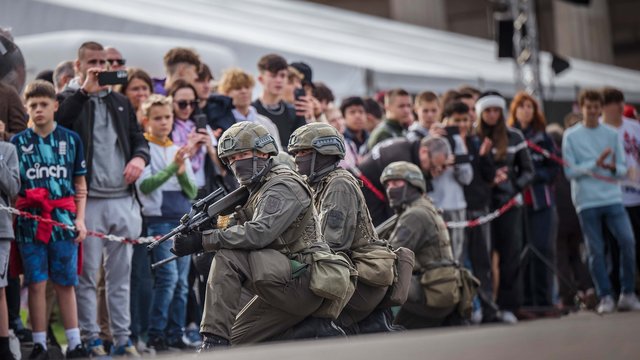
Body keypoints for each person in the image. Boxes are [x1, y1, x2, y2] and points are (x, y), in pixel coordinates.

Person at [171, 122, 346, 351]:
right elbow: (239, 230)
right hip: (281, 278)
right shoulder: (257, 187)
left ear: (263, 153)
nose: (236, 163)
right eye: (231, 159)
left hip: (305, 278)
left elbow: (259, 233)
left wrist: (203, 240)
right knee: (237, 341)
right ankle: (310, 330)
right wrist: (208, 228)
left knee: (228, 257)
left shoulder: (282, 184)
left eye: (242, 154)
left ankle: (212, 343)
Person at [55, 41, 149, 357]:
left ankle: (122, 339)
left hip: (122, 198)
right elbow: (60, 124)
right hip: (88, 200)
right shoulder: (70, 98)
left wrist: (139, 158)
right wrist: (85, 91)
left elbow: (139, 138)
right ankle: (91, 338)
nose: (100, 67)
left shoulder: (121, 101)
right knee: (86, 274)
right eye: (92, 61)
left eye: (104, 62)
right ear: (79, 65)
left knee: (119, 278)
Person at [288, 122, 396, 334]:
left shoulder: (338, 184)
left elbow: (331, 244)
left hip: (360, 277)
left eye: (303, 152)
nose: (297, 158)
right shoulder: (319, 184)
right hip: (350, 271)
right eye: (296, 153)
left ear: (323, 154)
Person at [11, 80, 88, 359]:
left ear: (56, 105)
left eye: (44, 104)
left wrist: (80, 219)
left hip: (63, 221)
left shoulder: (71, 139)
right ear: (26, 108)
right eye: (33, 105)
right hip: (29, 223)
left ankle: (75, 342)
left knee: (66, 282)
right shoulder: (17, 142)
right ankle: (40, 343)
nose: (39, 109)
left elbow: (80, 185)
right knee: (35, 282)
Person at [563, 89, 640, 314]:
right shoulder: (571, 135)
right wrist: (596, 163)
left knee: (628, 241)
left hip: (613, 198)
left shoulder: (611, 133)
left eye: (597, 107)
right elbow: (569, 171)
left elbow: (624, 168)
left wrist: (613, 167)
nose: (593, 111)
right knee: (595, 249)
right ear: (582, 108)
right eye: (589, 107)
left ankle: (628, 293)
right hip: (586, 201)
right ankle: (605, 295)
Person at [136, 94, 197, 351]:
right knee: (168, 279)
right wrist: (173, 168)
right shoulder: (144, 149)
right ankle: (156, 334)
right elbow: (146, 186)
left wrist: (180, 172)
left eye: (167, 117)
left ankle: (175, 333)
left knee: (183, 283)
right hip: (159, 222)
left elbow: (192, 191)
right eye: (158, 118)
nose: (164, 122)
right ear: (147, 120)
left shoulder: (176, 149)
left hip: (181, 221)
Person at [381, 161, 464, 328]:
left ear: (414, 185)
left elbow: (388, 256)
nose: (391, 188)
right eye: (388, 184)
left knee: (379, 276)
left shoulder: (415, 215)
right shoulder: (424, 206)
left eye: (397, 183)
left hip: (432, 292)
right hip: (441, 287)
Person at [475, 91, 534, 321]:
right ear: (481, 113)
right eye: (487, 110)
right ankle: (486, 306)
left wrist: (514, 188)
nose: (492, 115)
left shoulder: (515, 136)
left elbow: (529, 171)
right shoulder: (473, 136)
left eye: (496, 110)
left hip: (510, 205)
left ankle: (510, 306)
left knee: (511, 257)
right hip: (483, 206)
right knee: (484, 259)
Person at [508, 92, 560, 308]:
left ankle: (544, 299)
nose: (526, 110)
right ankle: (526, 301)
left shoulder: (543, 137)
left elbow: (554, 167)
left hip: (541, 201)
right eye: (522, 106)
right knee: (522, 252)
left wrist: (535, 176)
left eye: (530, 106)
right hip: (516, 203)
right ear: (515, 110)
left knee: (542, 248)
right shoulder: (509, 136)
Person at [357, 136, 449, 226]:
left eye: (442, 167)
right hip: (367, 190)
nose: (435, 170)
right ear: (424, 151)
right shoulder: (402, 160)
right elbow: (398, 202)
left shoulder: (406, 146)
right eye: (432, 166)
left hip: (368, 184)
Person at [600, 87, 640, 277]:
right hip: (612, 196)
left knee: (635, 242)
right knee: (616, 245)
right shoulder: (599, 129)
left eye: (620, 103)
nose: (618, 107)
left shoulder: (634, 127)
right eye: (613, 104)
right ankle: (619, 288)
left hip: (636, 195)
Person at [429, 102, 473, 263]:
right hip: (432, 206)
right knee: (434, 259)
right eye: (426, 111)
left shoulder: (456, 140)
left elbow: (467, 177)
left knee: (456, 259)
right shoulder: (418, 137)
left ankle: (455, 288)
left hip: (456, 205)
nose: (430, 115)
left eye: (433, 110)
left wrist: (454, 162)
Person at [168, 79, 225, 197]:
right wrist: (190, 148)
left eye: (192, 103)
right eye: (182, 104)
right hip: (178, 192)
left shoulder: (202, 127)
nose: (188, 108)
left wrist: (211, 149)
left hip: (205, 191)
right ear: (171, 102)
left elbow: (223, 171)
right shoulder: (166, 129)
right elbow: (166, 167)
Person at [217, 67, 281, 148]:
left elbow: (278, 154)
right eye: (237, 88)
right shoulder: (220, 123)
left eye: (247, 87)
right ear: (226, 93)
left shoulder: (265, 123)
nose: (244, 91)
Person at [252, 54, 306, 149]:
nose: (278, 80)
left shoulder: (295, 113)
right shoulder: (252, 111)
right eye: (273, 75)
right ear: (261, 79)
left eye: (283, 75)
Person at [0, 129, 19, 360]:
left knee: (0, 287)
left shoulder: (8, 150)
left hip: (1, 229)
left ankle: (3, 346)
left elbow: (13, 188)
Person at [196, 63, 237, 133]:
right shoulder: (182, 110)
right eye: (201, 81)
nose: (207, 86)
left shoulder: (223, 107)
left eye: (209, 81)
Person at [340, 96, 369, 171]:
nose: (358, 116)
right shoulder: (341, 141)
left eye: (361, 112)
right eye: (352, 112)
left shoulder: (371, 139)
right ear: (343, 117)